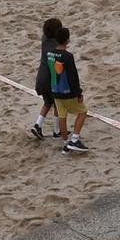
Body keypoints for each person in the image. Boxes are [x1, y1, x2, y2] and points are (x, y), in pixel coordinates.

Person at [45, 25, 88, 155]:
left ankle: (65, 144)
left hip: (55, 90)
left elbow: (49, 72)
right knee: (83, 112)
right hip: (67, 92)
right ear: (67, 40)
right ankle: (74, 139)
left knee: (62, 117)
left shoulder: (50, 53)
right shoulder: (68, 56)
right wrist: (78, 93)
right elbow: (73, 76)